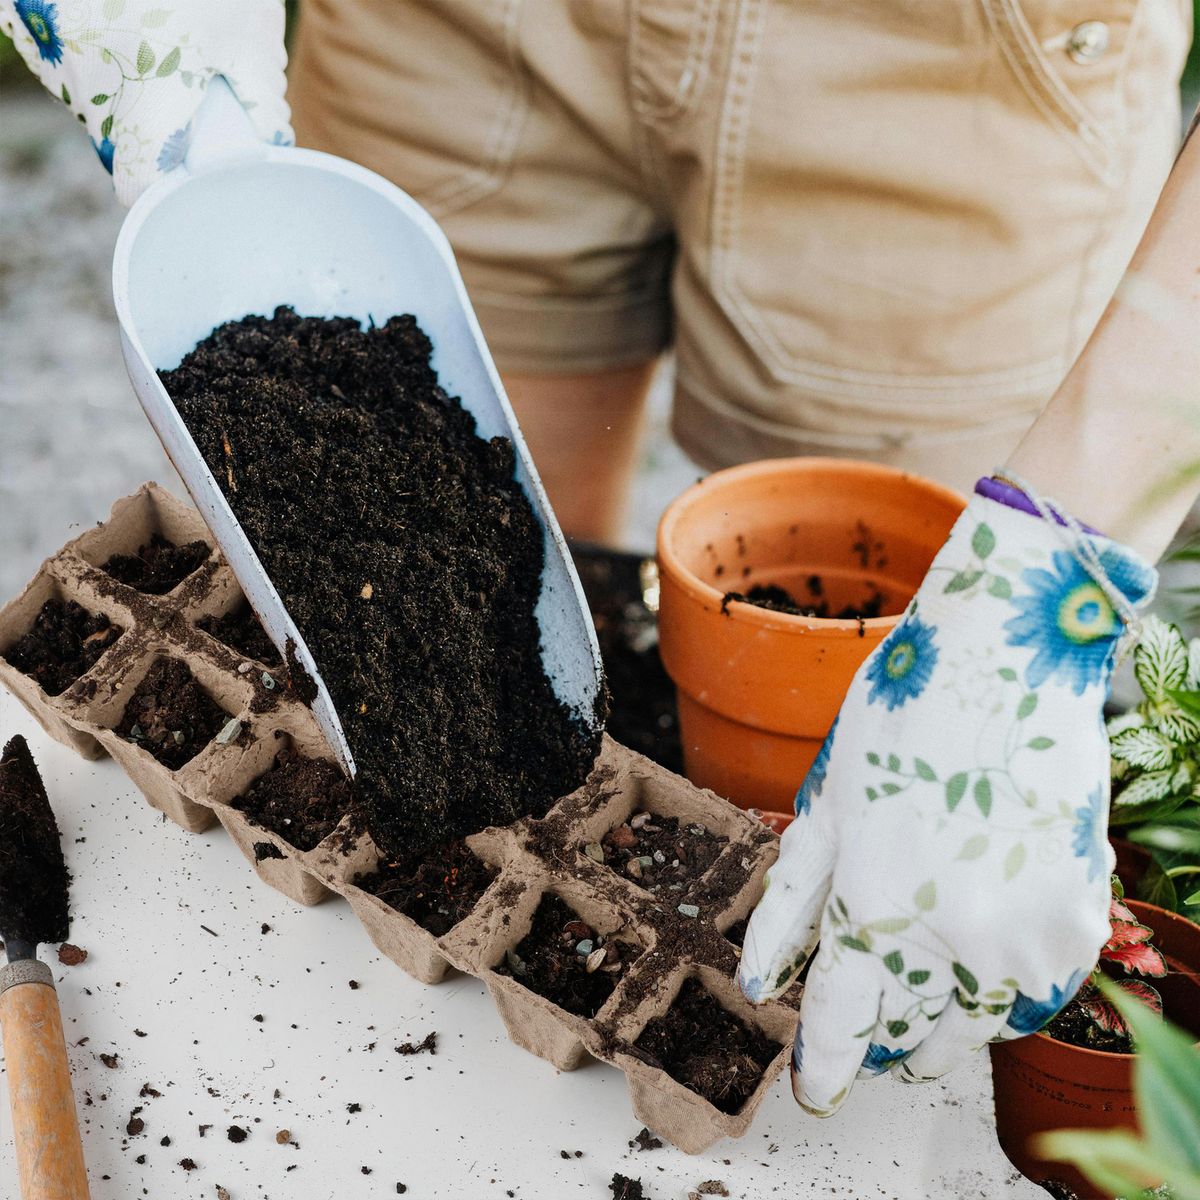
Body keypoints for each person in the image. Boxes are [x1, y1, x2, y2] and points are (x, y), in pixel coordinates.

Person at [4, 0, 1198, 1117]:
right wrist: (159, 62)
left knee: (860, 618)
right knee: (504, 554)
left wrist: (1047, 559)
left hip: (958, 62)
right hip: (458, 33)